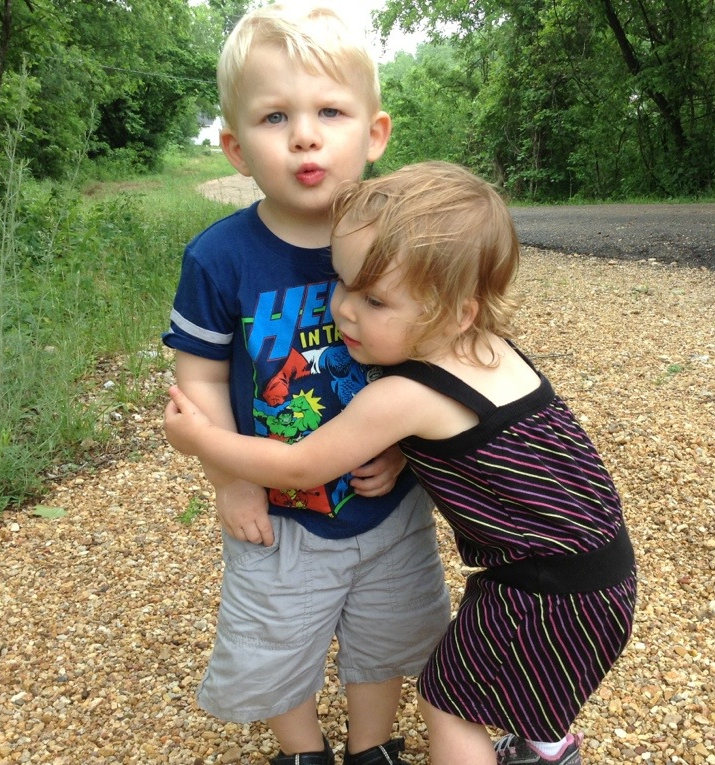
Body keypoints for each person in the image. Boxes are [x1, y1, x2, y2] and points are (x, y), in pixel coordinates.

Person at [165, 161, 639, 765]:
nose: (343, 310)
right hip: (601, 572)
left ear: (457, 313)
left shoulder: (403, 396)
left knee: (449, 705)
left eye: (374, 299)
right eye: (342, 283)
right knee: (518, 680)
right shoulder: (492, 351)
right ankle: (546, 747)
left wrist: (203, 440)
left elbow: (301, 466)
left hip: (539, 589)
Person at [161, 6, 450, 765]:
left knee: (388, 626)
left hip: (386, 497)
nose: (304, 136)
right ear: (235, 148)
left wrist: (409, 450)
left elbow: (437, 362)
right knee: (274, 632)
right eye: (274, 117)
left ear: (374, 133)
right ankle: (301, 749)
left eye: (330, 112)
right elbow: (199, 375)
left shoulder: (402, 242)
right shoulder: (220, 258)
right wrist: (229, 479)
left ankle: (371, 744)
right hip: (276, 506)